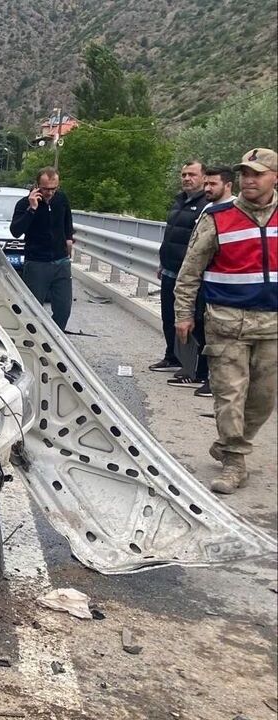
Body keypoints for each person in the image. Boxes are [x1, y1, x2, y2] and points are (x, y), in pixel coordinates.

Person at [173, 148, 277, 494]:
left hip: (272, 325)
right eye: (245, 173)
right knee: (229, 396)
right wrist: (183, 314)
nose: (249, 180)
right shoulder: (217, 217)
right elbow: (190, 271)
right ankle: (234, 462)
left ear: (275, 178)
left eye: (257, 174)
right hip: (226, 322)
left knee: (264, 399)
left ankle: (231, 443)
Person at [169, 166, 236, 396]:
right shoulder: (209, 208)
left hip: (222, 286)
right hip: (202, 279)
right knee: (199, 327)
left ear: (228, 185)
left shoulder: (233, 211)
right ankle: (197, 371)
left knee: (216, 334)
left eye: (212, 184)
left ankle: (212, 378)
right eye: (206, 183)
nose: (207, 188)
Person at [150, 161, 207, 372]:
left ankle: (192, 366)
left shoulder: (206, 205)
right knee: (168, 317)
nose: (186, 178)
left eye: (192, 174)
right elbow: (170, 235)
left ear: (203, 178)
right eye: (184, 175)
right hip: (169, 269)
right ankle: (172, 356)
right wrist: (162, 263)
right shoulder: (179, 201)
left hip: (189, 275)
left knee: (191, 320)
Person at [10, 166, 75, 329]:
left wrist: (68, 239)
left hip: (61, 261)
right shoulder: (24, 204)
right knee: (33, 310)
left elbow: (68, 220)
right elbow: (15, 231)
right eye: (46, 189)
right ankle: (32, 338)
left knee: (64, 309)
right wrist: (32, 209)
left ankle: (54, 337)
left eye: (54, 188)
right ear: (37, 185)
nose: (50, 193)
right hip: (37, 262)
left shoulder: (61, 199)